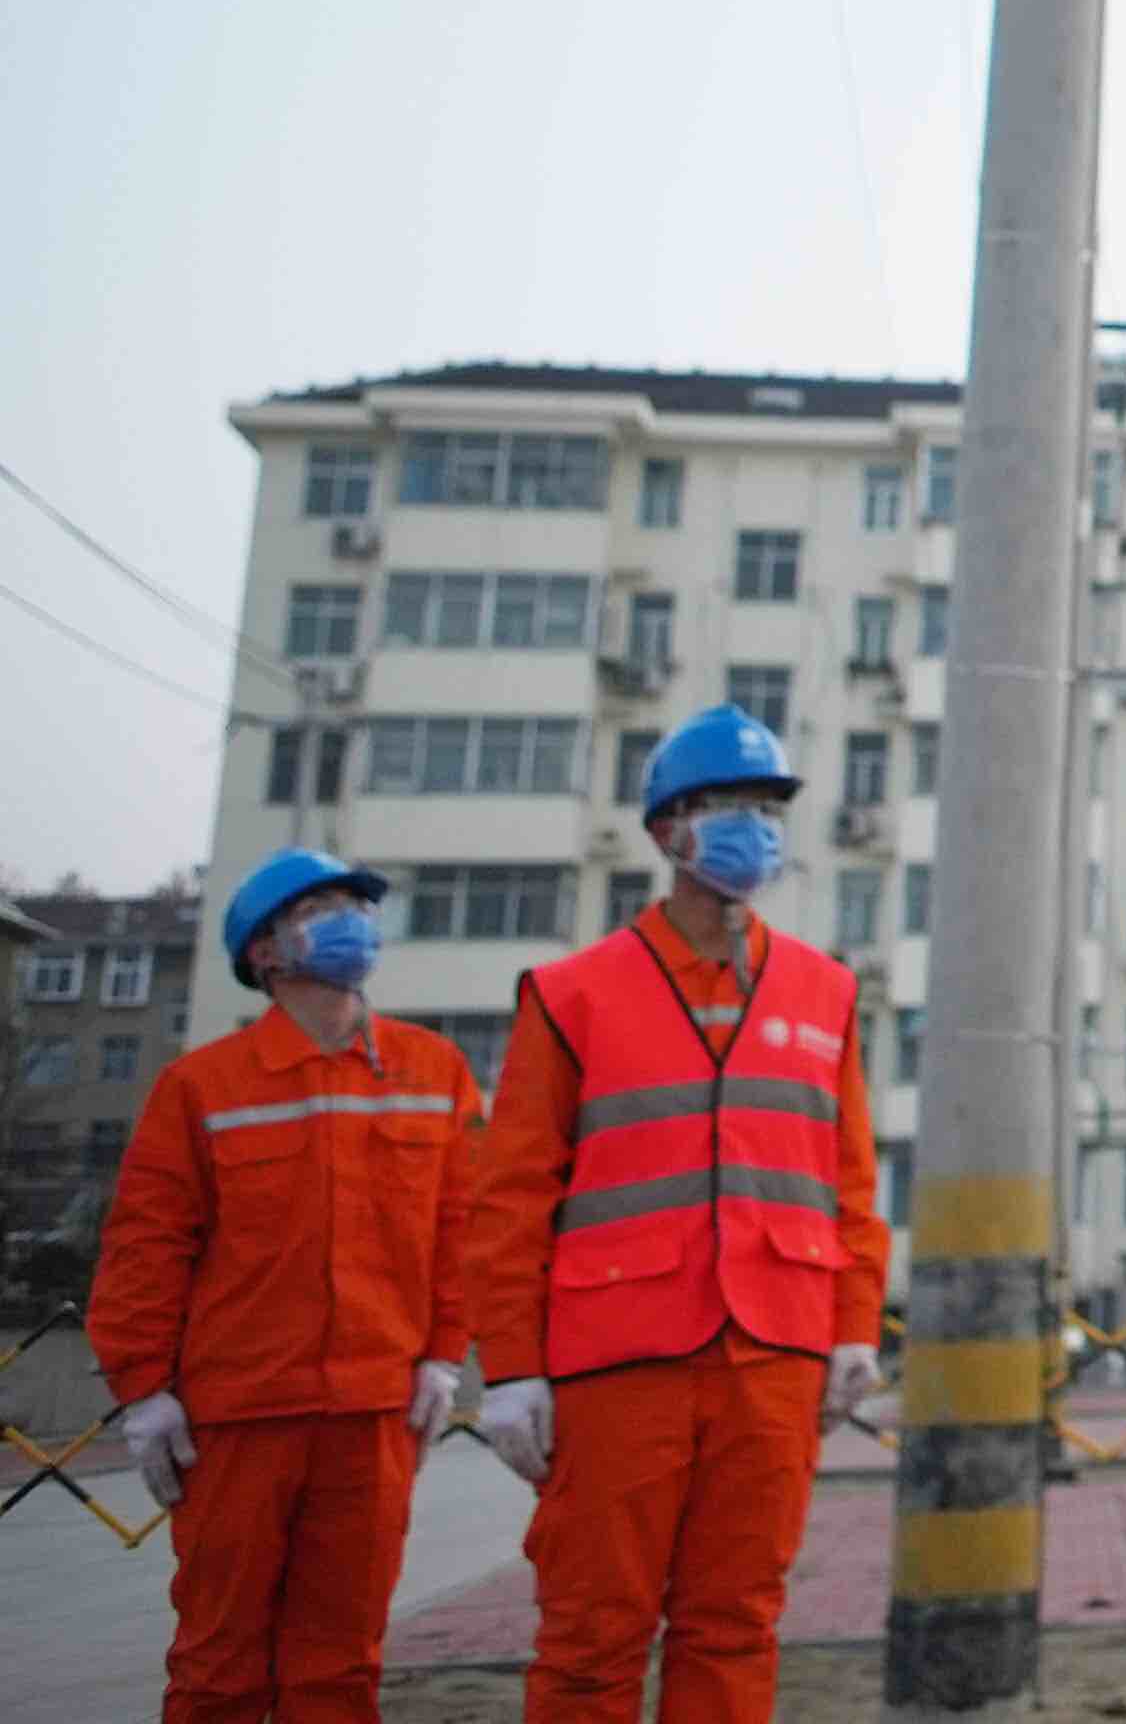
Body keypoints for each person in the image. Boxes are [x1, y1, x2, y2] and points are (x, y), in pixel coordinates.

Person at [459, 705, 888, 1724]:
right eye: (725, 805)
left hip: (774, 1358)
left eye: (767, 805)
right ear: (665, 831)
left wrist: (855, 1327)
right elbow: (510, 1196)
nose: (753, 825)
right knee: (591, 1638)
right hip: (619, 1362)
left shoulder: (824, 993)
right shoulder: (573, 995)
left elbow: (851, 1184)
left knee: (736, 1625)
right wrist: (513, 1368)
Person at [90, 849, 483, 1724]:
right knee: (219, 1670)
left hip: (375, 1416)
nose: (350, 919)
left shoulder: (435, 1073)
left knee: (341, 1670)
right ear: (263, 953)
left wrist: (442, 1356)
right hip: (236, 1423)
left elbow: (460, 1233)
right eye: (321, 906)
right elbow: (146, 1249)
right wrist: (144, 1390)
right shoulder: (201, 1086)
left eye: (355, 903)